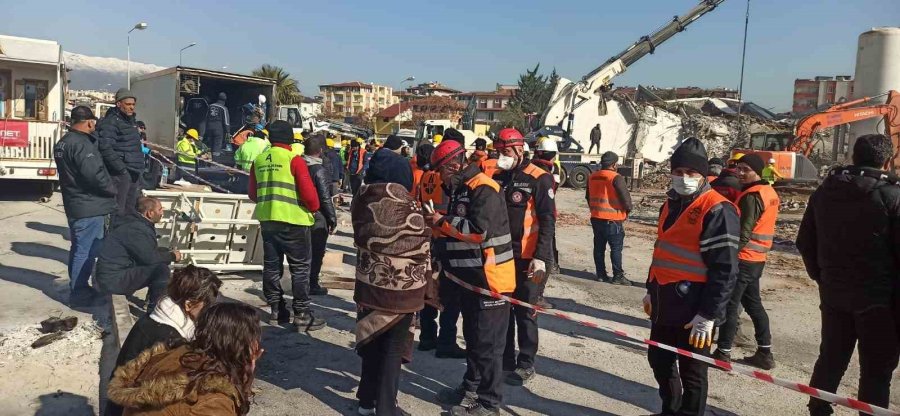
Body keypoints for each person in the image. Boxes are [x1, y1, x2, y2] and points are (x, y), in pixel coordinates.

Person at [797, 134, 900, 416]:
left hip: (835, 293)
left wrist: (822, 276)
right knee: (876, 371)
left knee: (831, 358)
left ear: (853, 157)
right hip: (879, 301)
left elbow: (804, 241)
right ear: (887, 159)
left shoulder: (826, 190)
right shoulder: (893, 195)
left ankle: (818, 409)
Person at [642, 137, 739, 416]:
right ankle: (670, 410)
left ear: (704, 175)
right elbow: (662, 249)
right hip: (664, 299)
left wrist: (709, 315)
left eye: (691, 173)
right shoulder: (670, 205)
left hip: (695, 308)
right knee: (659, 359)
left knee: (693, 371)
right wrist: (650, 288)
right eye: (678, 172)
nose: (683, 178)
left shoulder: (717, 209)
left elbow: (725, 269)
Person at [429, 140, 515, 416]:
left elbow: (480, 232)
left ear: (454, 166)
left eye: (441, 171)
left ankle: (489, 403)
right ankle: (470, 388)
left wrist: (441, 222)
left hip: (491, 280)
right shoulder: (462, 189)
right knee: (474, 338)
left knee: (488, 345)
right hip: (471, 279)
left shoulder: (484, 189)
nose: (439, 177)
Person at [352, 178, 435, 416]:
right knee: (392, 350)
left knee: (371, 342)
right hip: (400, 293)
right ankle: (386, 408)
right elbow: (420, 242)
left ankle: (366, 402)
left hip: (369, 287)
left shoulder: (362, 200)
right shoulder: (407, 207)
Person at [104, 265, 222, 416]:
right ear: (188, 305)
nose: (208, 311)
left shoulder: (157, 319)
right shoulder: (169, 338)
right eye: (207, 305)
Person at [107, 302, 262, 416]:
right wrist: (246, 376)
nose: (257, 345)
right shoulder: (213, 400)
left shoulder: (176, 354)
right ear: (237, 346)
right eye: (253, 339)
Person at [490, 128, 556, 386]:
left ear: (519, 149)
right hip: (504, 257)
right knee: (503, 310)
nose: (501, 156)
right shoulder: (499, 177)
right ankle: (505, 359)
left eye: (504, 151)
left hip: (530, 259)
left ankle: (526, 362)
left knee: (526, 312)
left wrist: (541, 256)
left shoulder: (540, 178)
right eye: (498, 151)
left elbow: (548, 220)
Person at [248, 120, 325, 332]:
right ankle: (301, 314)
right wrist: (313, 208)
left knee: (272, 266)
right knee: (300, 269)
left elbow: (253, 194)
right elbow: (311, 197)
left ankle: (276, 310)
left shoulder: (259, 160)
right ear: (290, 138)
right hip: (294, 222)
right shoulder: (294, 160)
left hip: (268, 221)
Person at [712, 154, 778, 369]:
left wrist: (727, 257)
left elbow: (744, 232)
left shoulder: (752, 195)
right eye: (739, 168)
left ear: (757, 172)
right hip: (757, 259)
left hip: (744, 258)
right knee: (753, 304)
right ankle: (765, 353)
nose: (740, 173)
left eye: (745, 169)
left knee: (731, 305)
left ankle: (723, 353)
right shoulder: (768, 192)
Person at [54, 106, 118, 307]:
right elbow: (93, 175)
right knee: (87, 250)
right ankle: (79, 293)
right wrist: (112, 188)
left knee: (79, 248)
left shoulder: (62, 143)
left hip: (75, 203)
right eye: (94, 123)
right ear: (89, 122)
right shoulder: (82, 145)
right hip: (89, 205)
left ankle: (79, 287)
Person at [415, 143, 466, 359]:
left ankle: (427, 337)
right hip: (447, 237)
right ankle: (446, 341)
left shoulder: (425, 176)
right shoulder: (452, 180)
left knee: (428, 290)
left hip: (428, 236)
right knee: (449, 296)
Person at [96, 197, 182, 312]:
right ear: (150, 213)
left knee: (162, 253)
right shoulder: (136, 229)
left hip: (118, 271)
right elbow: (149, 258)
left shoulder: (137, 223)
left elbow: (148, 253)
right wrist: (172, 256)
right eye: (160, 210)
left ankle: (152, 297)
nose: (162, 213)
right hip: (113, 279)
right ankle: (154, 311)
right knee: (161, 269)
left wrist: (167, 254)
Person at [587, 151, 633, 285]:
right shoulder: (615, 177)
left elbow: (588, 196)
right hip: (613, 220)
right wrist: (627, 211)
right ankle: (618, 276)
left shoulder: (592, 176)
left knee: (599, 247)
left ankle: (601, 274)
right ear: (614, 164)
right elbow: (626, 200)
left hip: (596, 218)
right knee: (616, 248)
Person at [97, 88, 144, 216]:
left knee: (130, 209)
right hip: (121, 174)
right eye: (128, 104)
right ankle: (113, 234)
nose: (131, 107)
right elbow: (105, 147)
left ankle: (125, 234)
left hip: (134, 172)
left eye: (133, 104)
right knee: (118, 210)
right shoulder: (111, 122)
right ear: (119, 104)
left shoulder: (130, 122)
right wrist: (121, 169)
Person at [303, 134, 338, 296]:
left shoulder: (298, 165)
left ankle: (302, 282)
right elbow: (325, 197)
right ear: (321, 151)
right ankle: (312, 283)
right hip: (317, 216)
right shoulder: (319, 170)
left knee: (303, 252)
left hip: (299, 213)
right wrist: (332, 218)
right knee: (316, 252)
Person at [205, 92, 230, 156]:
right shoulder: (224, 108)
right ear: (224, 100)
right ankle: (214, 162)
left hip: (209, 128)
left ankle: (208, 160)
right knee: (217, 145)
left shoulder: (210, 106)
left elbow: (206, 118)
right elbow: (226, 122)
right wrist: (228, 132)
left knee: (210, 145)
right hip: (218, 129)